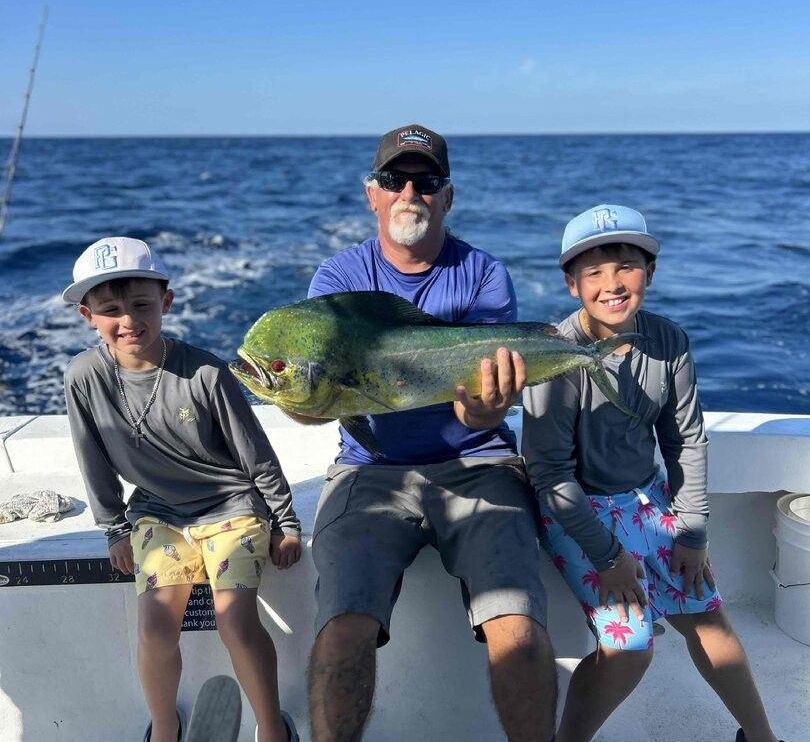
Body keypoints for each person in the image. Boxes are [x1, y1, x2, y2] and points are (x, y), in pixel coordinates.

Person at [305, 125, 557, 742]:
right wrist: (301, 397)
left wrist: (485, 411)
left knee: (517, 630)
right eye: (395, 180)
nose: (410, 192)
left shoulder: (481, 274)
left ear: (448, 196)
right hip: (370, 468)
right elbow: (315, 403)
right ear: (373, 193)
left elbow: (481, 412)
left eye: (428, 181)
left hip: (477, 462)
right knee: (342, 632)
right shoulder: (337, 283)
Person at [522, 204, 785, 742]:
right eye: (593, 272)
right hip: (576, 510)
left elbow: (684, 438)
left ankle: (763, 739)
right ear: (572, 284)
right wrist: (609, 558)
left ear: (650, 273)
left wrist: (691, 532)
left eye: (625, 266)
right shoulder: (557, 355)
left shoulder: (668, 342)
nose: (612, 283)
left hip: (646, 498)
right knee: (630, 648)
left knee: (708, 614)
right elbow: (550, 475)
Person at [62, 237, 302, 742]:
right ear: (88, 315)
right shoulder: (84, 377)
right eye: (110, 310)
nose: (128, 320)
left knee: (235, 619)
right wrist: (113, 529)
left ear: (166, 303)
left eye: (142, 305)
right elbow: (93, 460)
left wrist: (286, 522)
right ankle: (166, 727)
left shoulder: (208, 373)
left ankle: (271, 728)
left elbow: (256, 456)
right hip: (157, 515)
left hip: (232, 507)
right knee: (153, 625)